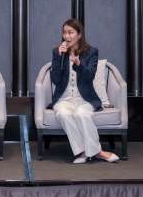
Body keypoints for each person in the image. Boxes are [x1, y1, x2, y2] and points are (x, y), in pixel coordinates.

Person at [50, 19, 119, 164]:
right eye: (64, 33)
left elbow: (89, 77)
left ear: (79, 34)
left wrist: (78, 64)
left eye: (70, 33)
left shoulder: (91, 52)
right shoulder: (57, 52)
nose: (67, 36)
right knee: (62, 113)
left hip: (84, 99)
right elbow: (55, 80)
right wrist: (59, 57)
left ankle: (93, 152)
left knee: (81, 113)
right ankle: (86, 151)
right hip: (64, 99)